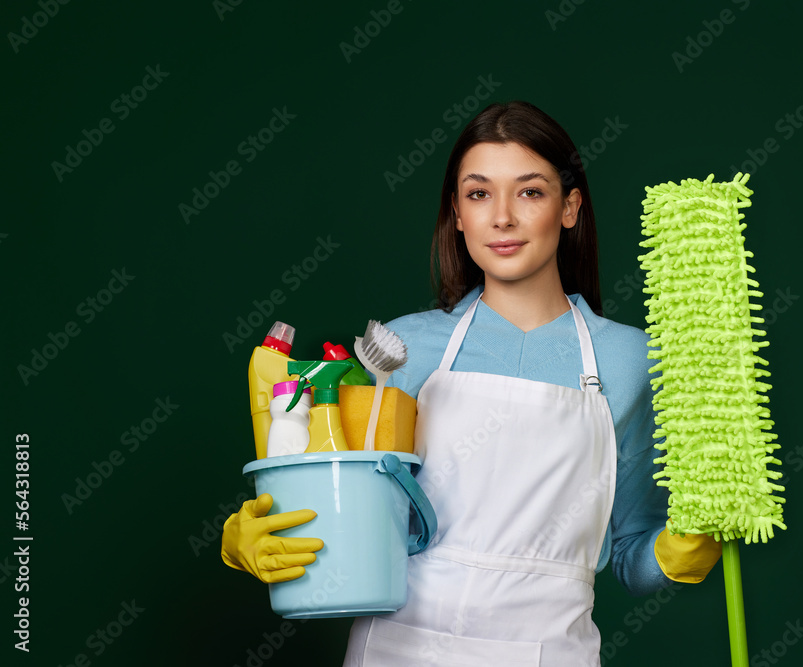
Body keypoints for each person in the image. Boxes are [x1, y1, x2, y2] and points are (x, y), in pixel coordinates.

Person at [222, 100, 722, 666]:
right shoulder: (404, 352)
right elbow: (353, 522)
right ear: (458, 214)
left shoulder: (633, 361)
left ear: (570, 207)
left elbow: (634, 557)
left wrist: (682, 550)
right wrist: (257, 538)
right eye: (479, 194)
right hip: (397, 651)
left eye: (530, 192)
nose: (502, 217)